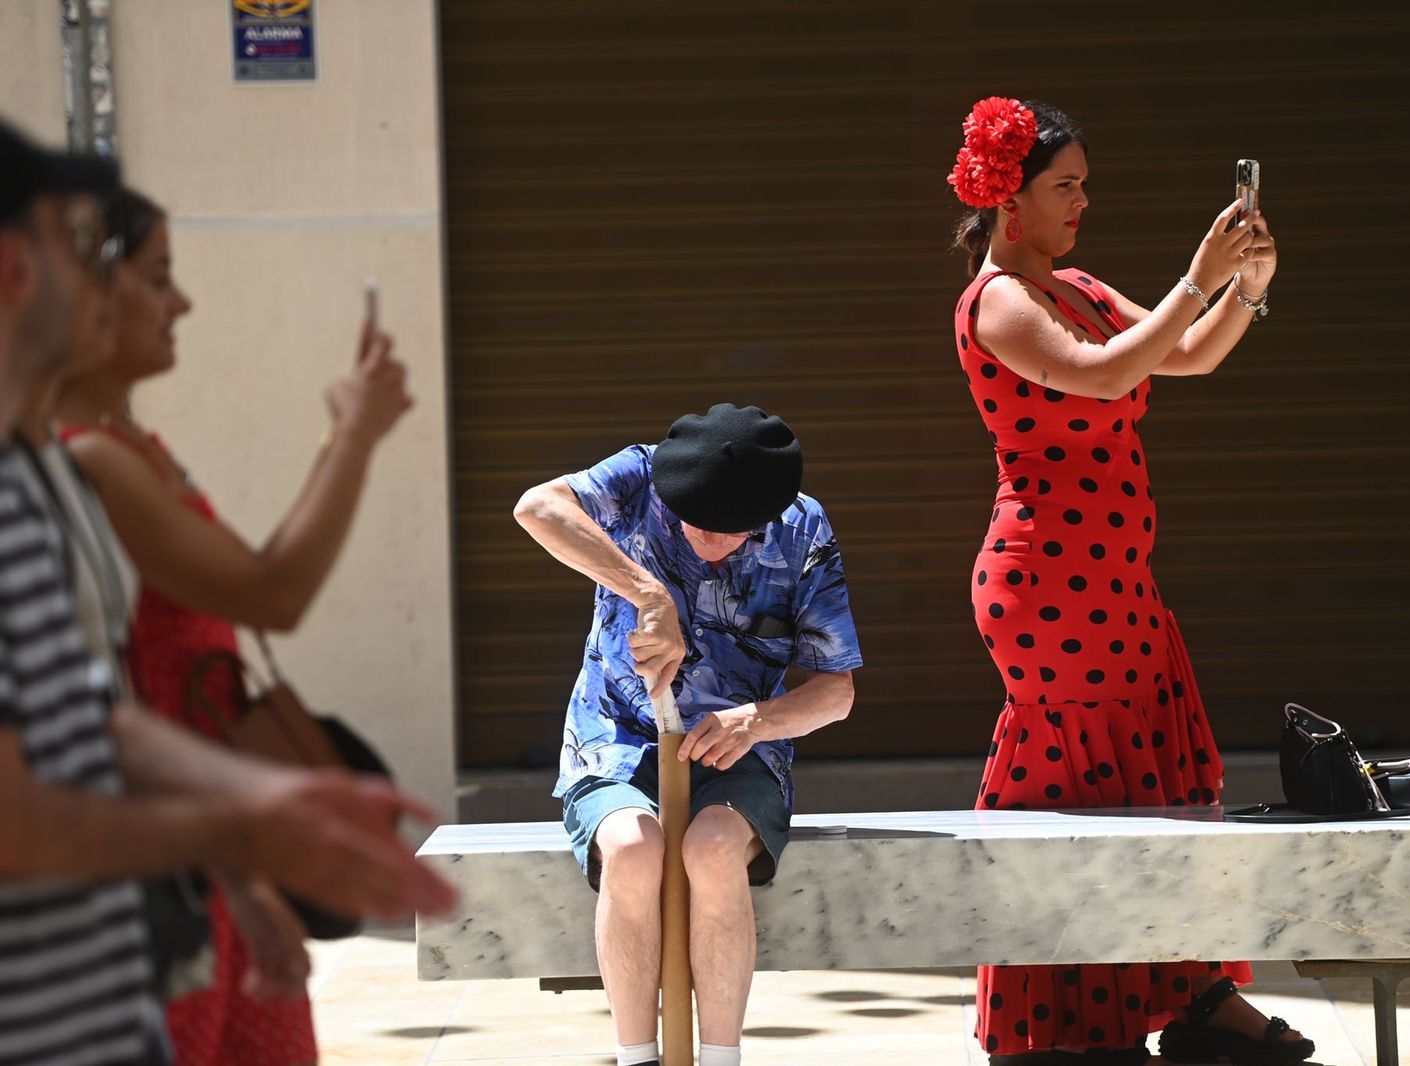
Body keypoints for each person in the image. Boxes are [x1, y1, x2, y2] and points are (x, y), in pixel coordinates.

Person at [0, 120, 455, 1066]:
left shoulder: (36, 472)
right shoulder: (85, 461)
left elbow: (96, 717)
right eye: (88, 251)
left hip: (131, 934)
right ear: (15, 270)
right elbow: (272, 591)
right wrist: (245, 825)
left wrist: (249, 833)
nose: (179, 301)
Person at [947, 98, 1311, 1065]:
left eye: (1085, 187)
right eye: (1065, 186)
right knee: (1082, 798)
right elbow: (1104, 377)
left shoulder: (1072, 284)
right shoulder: (999, 301)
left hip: (1117, 583)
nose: (1081, 203)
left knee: (1163, 780)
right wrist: (1197, 276)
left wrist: (1246, 291)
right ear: (1008, 199)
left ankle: (1191, 1000)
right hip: (1050, 588)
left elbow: (1180, 356)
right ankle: (1066, 1024)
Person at [513, 403, 862, 1066]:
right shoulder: (639, 475)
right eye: (695, 524)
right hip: (615, 732)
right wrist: (647, 593)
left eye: (730, 533)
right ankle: (638, 1056)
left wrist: (758, 720)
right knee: (634, 849)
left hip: (739, 744)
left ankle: (723, 1057)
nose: (708, 542)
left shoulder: (804, 528)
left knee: (710, 852)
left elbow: (835, 694)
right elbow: (536, 508)